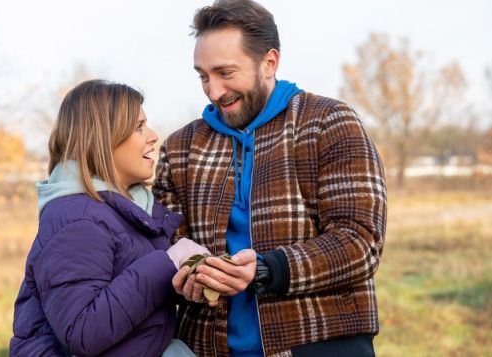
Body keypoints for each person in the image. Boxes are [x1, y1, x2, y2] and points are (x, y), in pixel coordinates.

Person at [152, 0, 388, 356]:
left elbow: (360, 242)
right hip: (206, 347)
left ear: (269, 62)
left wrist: (266, 269)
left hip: (319, 343)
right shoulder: (180, 147)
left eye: (225, 73)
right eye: (203, 75)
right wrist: (190, 278)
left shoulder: (330, 122)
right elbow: (166, 245)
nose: (213, 91)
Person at [10, 79, 203, 356]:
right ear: (102, 138)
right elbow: (82, 330)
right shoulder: (79, 218)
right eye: (138, 127)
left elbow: (126, 297)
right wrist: (168, 262)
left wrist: (185, 278)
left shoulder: (127, 210)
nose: (152, 135)